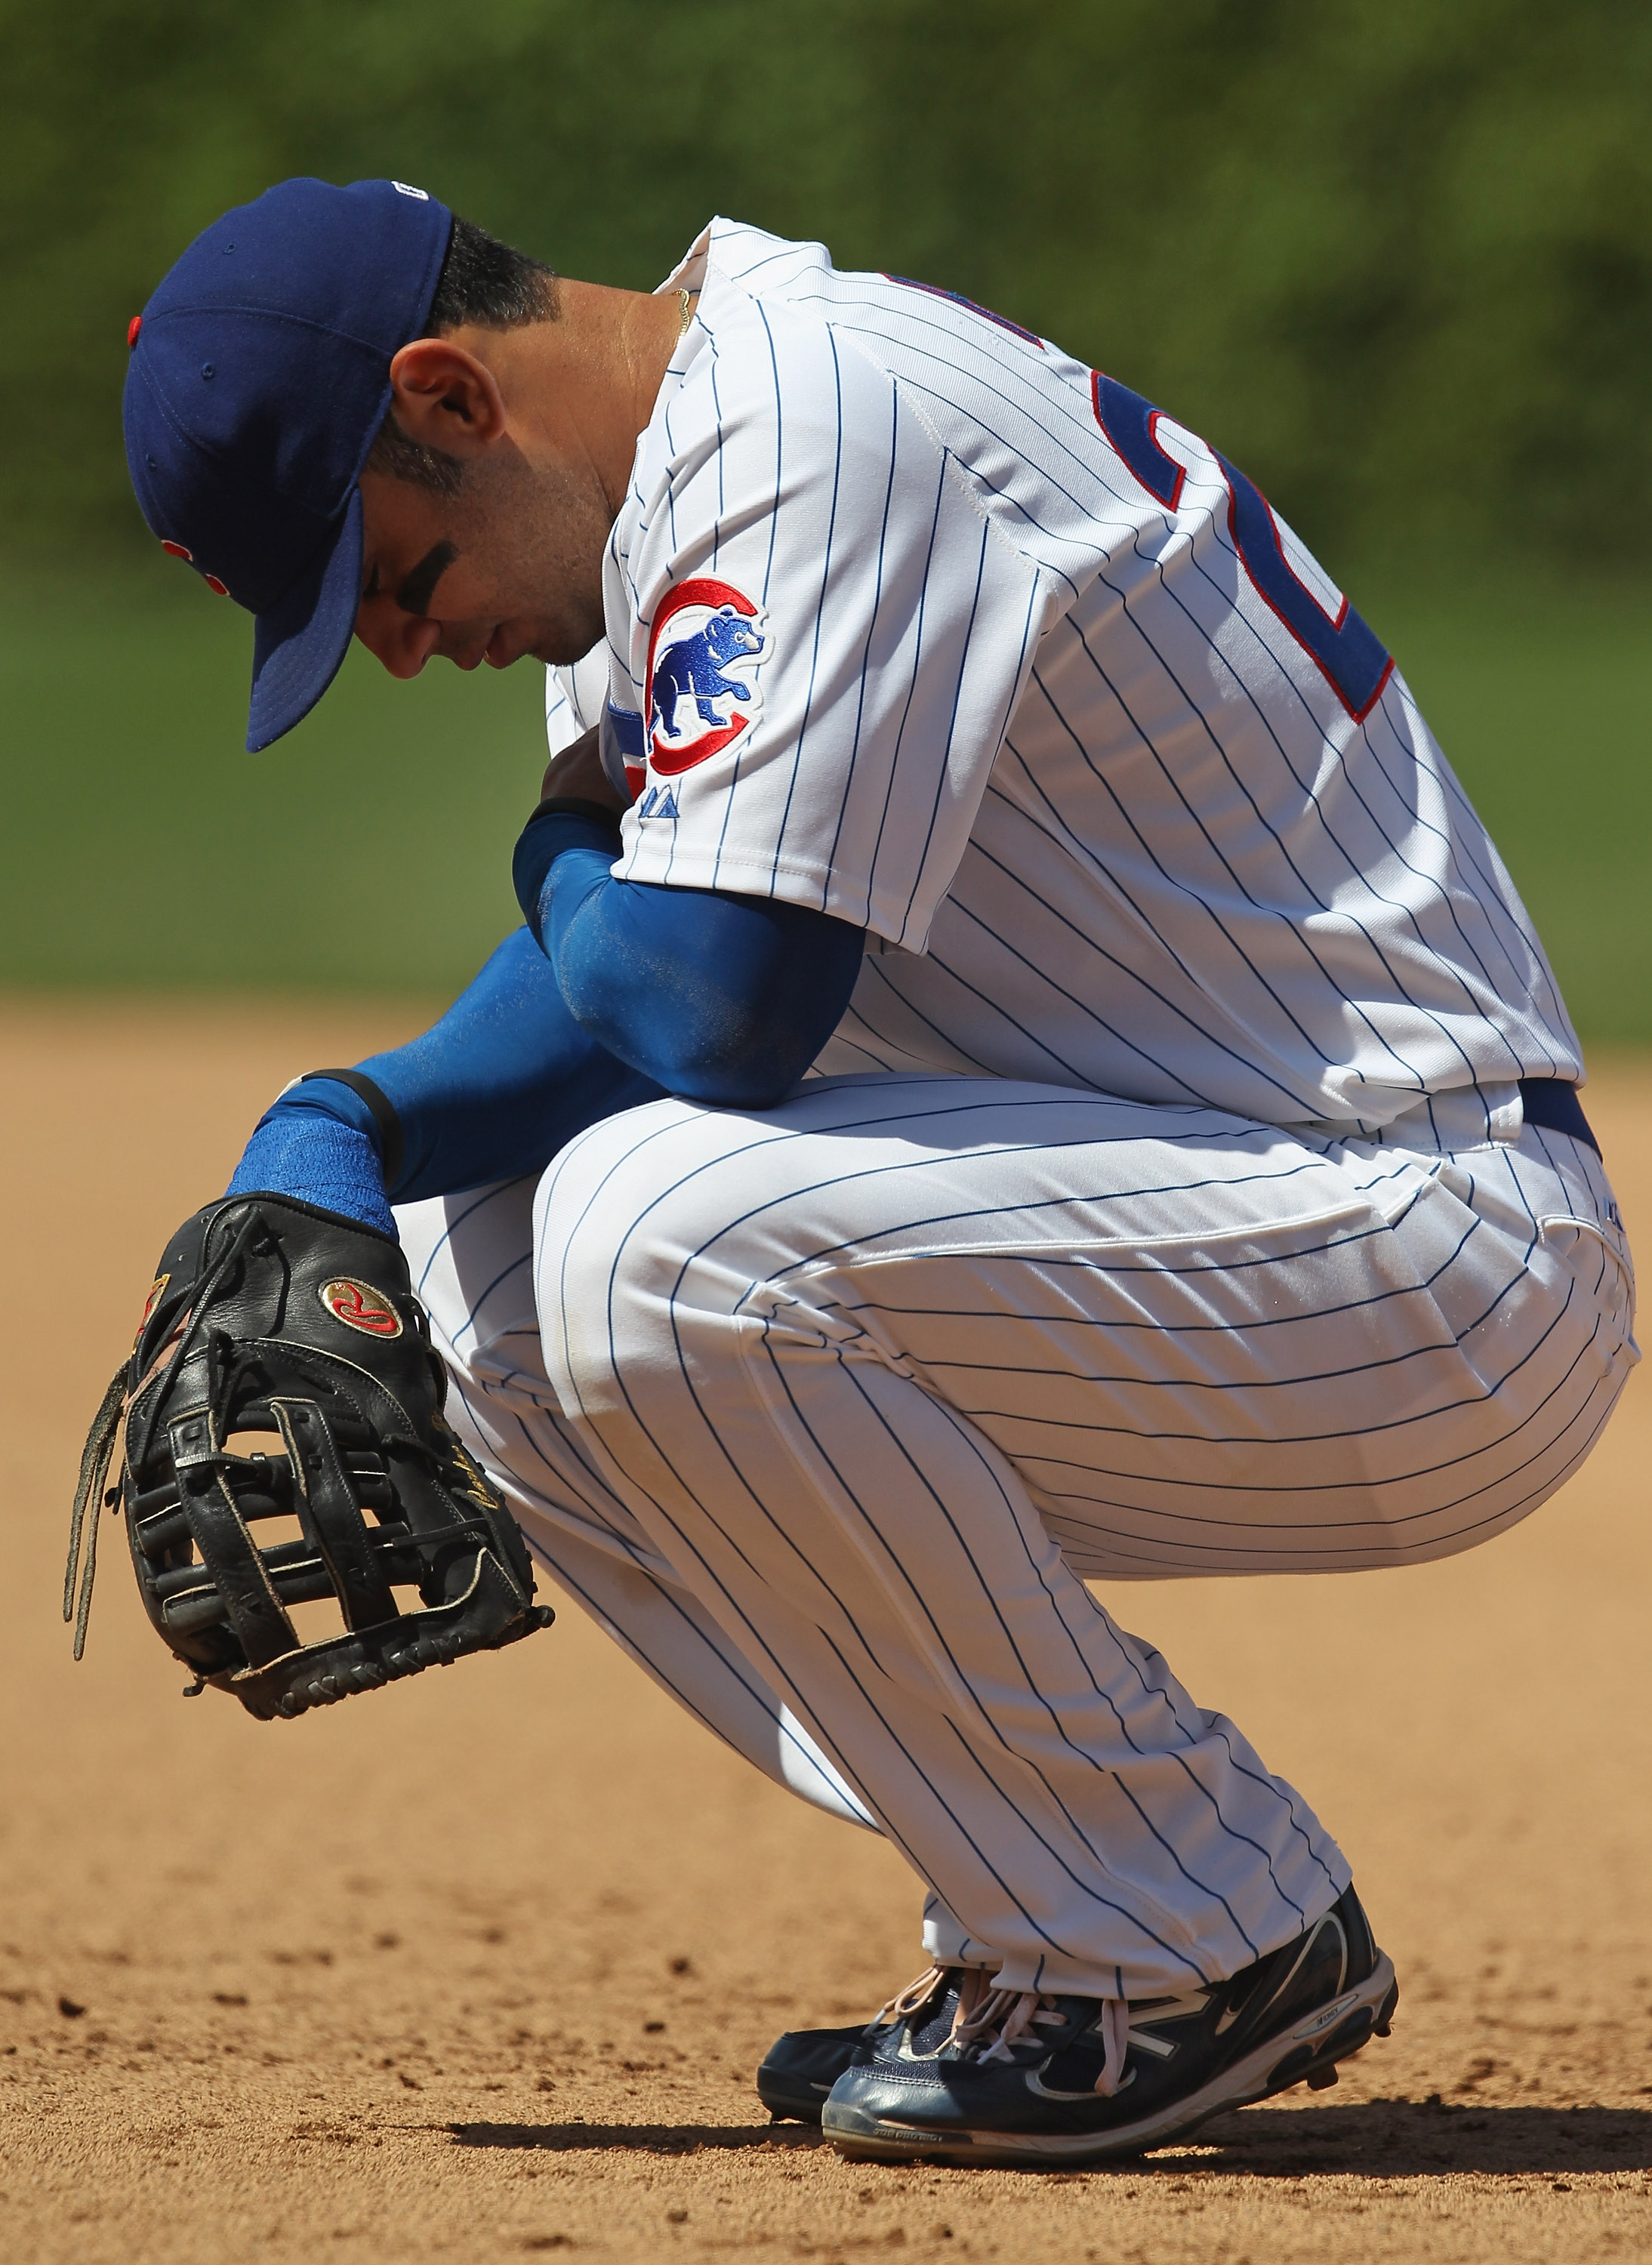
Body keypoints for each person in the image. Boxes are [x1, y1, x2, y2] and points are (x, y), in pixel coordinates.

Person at [121, 176, 1637, 2166]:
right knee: (470, 1265)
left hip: (1413, 1241)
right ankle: (1064, 1916)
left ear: (451, 397)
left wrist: (556, 851)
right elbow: (631, 965)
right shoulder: (670, 486)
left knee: (654, 1240)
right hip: (1210, 1204)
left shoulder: (806, 426)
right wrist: (355, 1131)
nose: (403, 649)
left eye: (388, 577)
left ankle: (1192, 1927)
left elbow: (703, 1001)